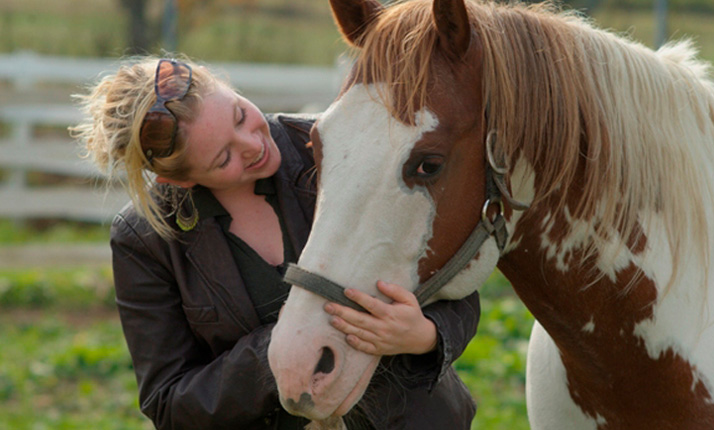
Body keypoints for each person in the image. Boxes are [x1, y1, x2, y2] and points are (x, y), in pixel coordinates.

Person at [71, 55, 480, 430]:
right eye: (222, 158)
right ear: (181, 180)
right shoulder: (145, 240)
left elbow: (457, 281)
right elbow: (169, 404)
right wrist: (283, 349)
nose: (253, 145)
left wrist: (427, 335)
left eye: (238, 116)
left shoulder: (340, 147)